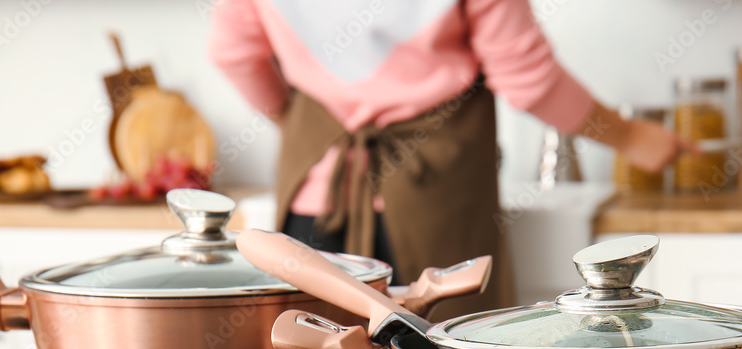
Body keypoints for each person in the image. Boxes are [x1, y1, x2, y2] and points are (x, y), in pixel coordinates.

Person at [208, 0, 693, 317]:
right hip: (437, 210)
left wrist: (302, 127)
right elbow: (531, 80)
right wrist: (631, 138)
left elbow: (232, 52)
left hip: (313, 208)